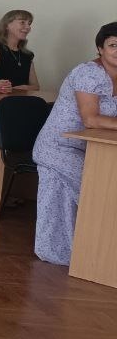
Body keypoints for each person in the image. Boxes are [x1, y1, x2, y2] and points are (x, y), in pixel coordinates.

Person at [32, 22, 117, 265]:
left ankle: (96, 251)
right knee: (102, 188)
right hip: (57, 147)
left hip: (87, 148)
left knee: (107, 182)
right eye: (113, 45)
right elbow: (91, 119)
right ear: (100, 48)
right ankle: (95, 254)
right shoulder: (88, 73)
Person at [0, 9, 40, 90]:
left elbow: (36, 87)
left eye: (29, 23)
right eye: (22, 22)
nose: (28, 27)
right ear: (7, 25)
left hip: (21, 97)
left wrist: (24, 88)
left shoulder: (27, 55)